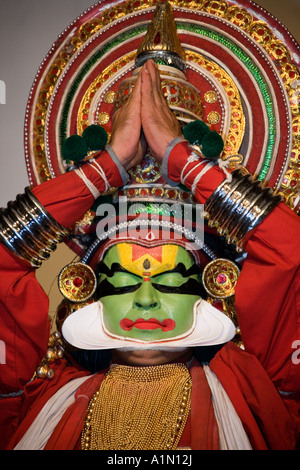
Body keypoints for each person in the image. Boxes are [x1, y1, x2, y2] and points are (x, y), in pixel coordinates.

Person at [0, 56, 299, 450]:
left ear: (210, 289)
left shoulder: (261, 397)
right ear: (90, 291)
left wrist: (184, 163)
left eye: (172, 279)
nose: (145, 300)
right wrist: (103, 171)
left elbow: (292, 252)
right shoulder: (33, 400)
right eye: (121, 279)